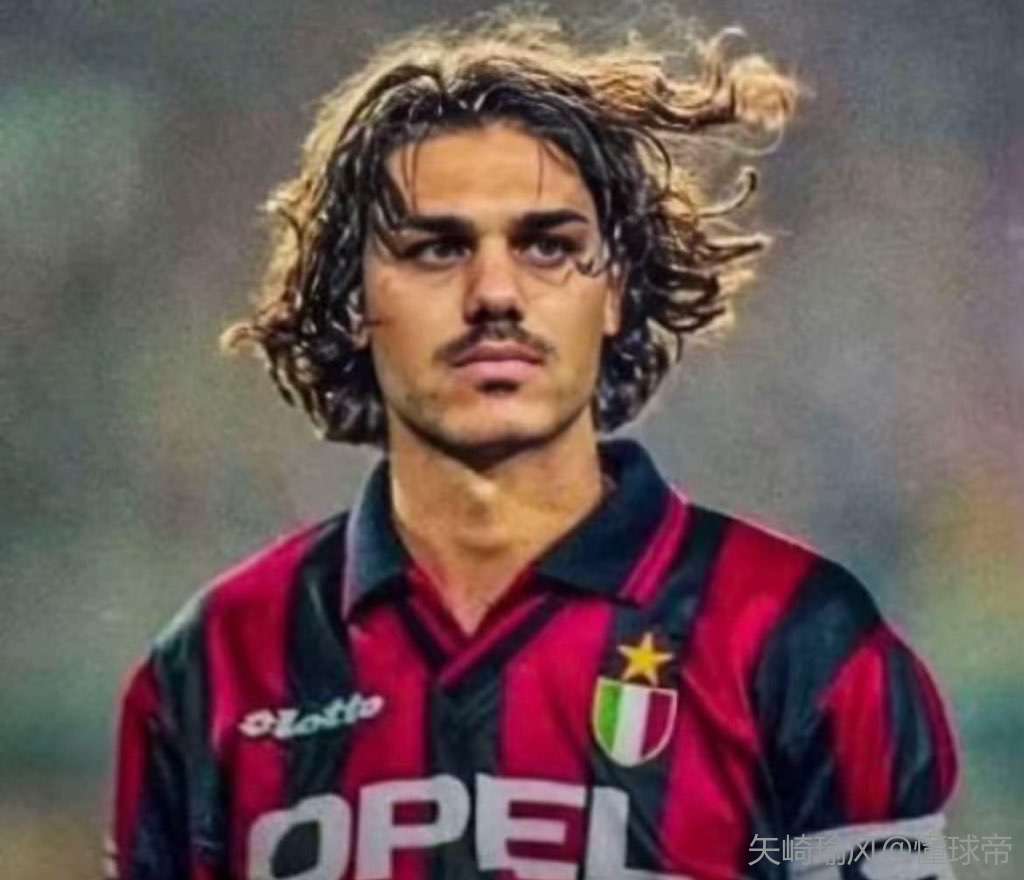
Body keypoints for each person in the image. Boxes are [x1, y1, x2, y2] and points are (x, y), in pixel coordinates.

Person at [108, 13, 959, 880]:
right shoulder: (212, 668)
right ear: (354, 300)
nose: (495, 292)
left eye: (548, 246)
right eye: (436, 248)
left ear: (615, 290)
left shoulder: (804, 641)